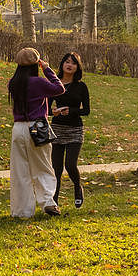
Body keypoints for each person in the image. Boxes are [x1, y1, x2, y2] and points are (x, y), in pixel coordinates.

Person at [8, 47, 65, 218]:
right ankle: (48, 202)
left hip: (18, 128)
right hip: (37, 126)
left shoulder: (13, 83)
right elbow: (59, 88)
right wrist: (47, 69)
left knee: (20, 171)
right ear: (36, 63)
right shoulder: (37, 82)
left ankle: (22, 210)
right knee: (43, 166)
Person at [50, 52, 91, 208]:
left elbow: (86, 110)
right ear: (62, 64)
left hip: (75, 130)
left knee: (70, 164)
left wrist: (72, 111)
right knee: (56, 168)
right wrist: (52, 112)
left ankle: (77, 188)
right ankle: (54, 199)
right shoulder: (55, 84)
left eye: (73, 63)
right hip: (57, 129)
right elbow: (46, 108)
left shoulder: (81, 86)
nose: (69, 65)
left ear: (77, 67)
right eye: (67, 61)